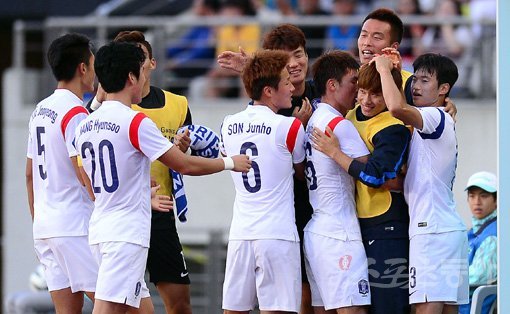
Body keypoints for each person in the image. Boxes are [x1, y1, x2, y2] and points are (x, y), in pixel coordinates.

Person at [75, 41, 251, 314]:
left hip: (101, 228)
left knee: (143, 310)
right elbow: (184, 165)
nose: (145, 78)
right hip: (126, 235)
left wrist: (143, 195)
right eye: (141, 72)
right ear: (131, 77)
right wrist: (229, 162)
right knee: (107, 310)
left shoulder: (85, 123)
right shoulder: (134, 121)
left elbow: (96, 178)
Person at [218, 23, 316, 314]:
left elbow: (225, 153)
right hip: (279, 230)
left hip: (242, 231)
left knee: (233, 309)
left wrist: (253, 68)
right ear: (271, 89)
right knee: (285, 307)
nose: (291, 80)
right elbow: (300, 171)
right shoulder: (290, 126)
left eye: (297, 55)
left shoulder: (227, 122)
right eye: (284, 76)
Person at [311, 61, 412, 314]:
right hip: (357, 226)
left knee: (388, 306)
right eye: (363, 91)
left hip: (387, 226)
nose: (366, 100)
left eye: (376, 94)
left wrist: (335, 153)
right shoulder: (349, 115)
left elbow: (376, 177)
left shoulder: (393, 128)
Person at [372, 52, 468, 313]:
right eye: (415, 79)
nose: (415, 86)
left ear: (444, 89)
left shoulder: (434, 116)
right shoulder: (437, 119)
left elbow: (396, 108)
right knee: (448, 309)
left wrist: (382, 70)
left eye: (425, 81)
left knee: (424, 308)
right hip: (448, 229)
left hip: (432, 230)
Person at [113, 30, 194, 314]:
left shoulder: (178, 104)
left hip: (160, 213)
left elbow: (182, 159)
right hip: (123, 214)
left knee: (180, 301)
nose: (136, 62)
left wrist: (182, 148)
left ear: (152, 63)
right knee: (123, 303)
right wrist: (230, 162)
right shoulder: (111, 109)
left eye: (141, 56)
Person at [25, 33, 98, 313]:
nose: (95, 72)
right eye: (92, 65)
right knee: (118, 304)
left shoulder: (40, 110)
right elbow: (85, 174)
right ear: (82, 68)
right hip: (74, 225)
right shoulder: (75, 112)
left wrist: (38, 220)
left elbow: (29, 174)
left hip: (44, 225)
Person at [303, 50, 371, 313]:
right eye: (353, 81)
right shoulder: (338, 124)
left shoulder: (313, 119)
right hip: (339, 232)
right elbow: (372, 169)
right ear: (332, 85)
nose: (359, 88)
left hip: (317, 230)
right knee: (352, 309)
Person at [459, 171, 497, 314]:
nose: (477, 202)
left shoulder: (494, 235)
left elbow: (478, 276)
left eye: (484, 196)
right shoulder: (472, 232)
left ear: (496, 199)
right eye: (472, 196)